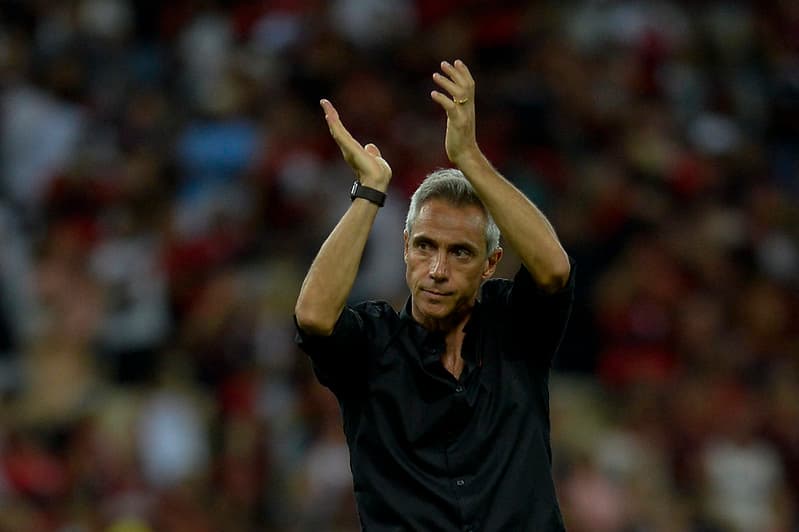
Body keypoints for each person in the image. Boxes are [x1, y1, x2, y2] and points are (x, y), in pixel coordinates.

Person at [294, 59, 574, 531]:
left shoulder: (515, 324)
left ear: (490, 263)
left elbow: (554, 268)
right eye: (424, 246)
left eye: (460, 253)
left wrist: (469, 156)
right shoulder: (373, 343)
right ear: (405, 248)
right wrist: (370, 191)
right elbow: (314, 316)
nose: (437, 270)